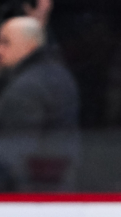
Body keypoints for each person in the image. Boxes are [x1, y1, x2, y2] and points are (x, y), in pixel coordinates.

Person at [0, 15, 79, 191]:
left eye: (6, 42)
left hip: (28, 194)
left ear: (29, 45)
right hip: (56, 186)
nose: (0, 50)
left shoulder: (27, 88)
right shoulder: (57, 73)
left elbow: (14, 155)